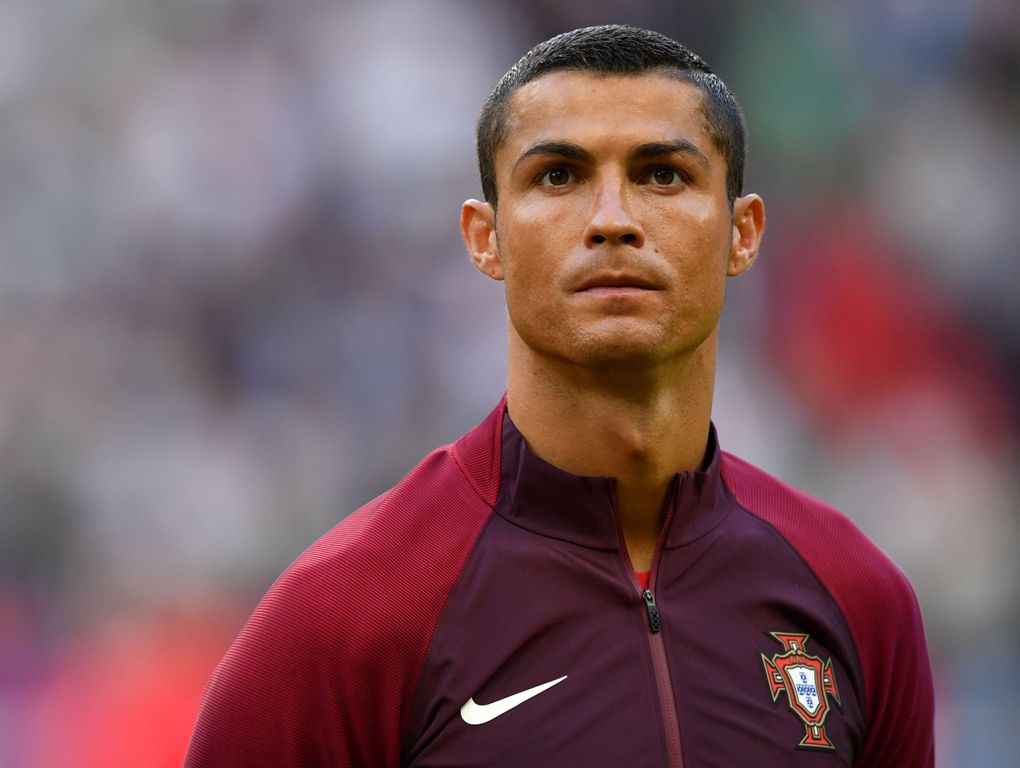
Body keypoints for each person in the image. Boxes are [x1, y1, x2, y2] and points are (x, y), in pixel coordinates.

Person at [185, 25, 934, 767]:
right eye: (558, 176)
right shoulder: (344, 613)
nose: (613, 220)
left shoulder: (856, 597)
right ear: (486, 238)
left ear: (743, 233)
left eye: (663, 175)